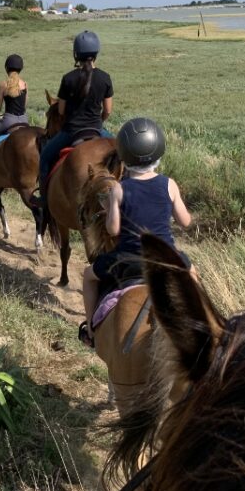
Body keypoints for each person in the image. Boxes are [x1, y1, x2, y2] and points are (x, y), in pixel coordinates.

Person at [79, 117, 193, 348]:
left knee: (88, 276)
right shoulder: (169, 184)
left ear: (124, 157)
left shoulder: (119, 189)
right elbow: (186, 221)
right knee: (192, 273)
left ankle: (91, 329)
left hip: (129, 261)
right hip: (165, 259)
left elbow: (112, 229)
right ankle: (202, 322)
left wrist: (111, 207)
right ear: (159, 151)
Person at [36, 30, 114, 201]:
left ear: (76, 54)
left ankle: (43, 200)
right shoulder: (105, 78)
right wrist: (99, 122)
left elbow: (61, 111)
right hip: (97, 130)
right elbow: (107, 110)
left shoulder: (68, 78)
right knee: (123, 154)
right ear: (95, 53)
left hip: (71, 132)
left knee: (45, 158)